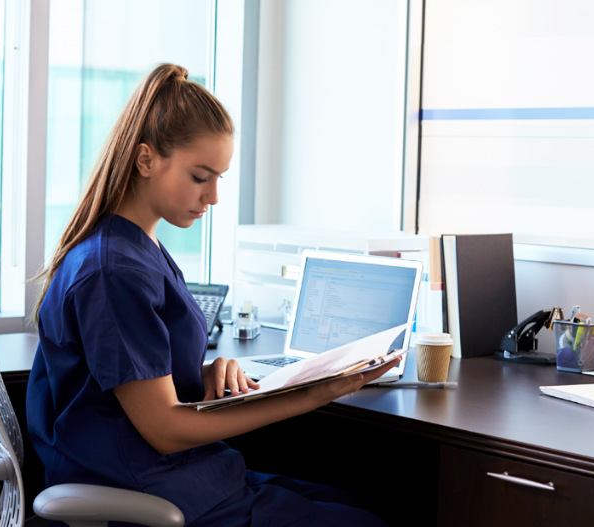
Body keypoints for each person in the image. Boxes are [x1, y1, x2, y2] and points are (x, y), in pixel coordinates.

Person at [26, 63, 397, 526]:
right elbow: (162, 429)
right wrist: (314, 393)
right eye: (201, 177)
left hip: (185, 474)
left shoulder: (137, 247)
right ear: (145, 161)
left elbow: (130, 376)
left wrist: (203, 372)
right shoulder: (114, 270)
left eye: (219, 177)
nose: (214, 196)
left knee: (359, 502)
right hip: (147, 484)